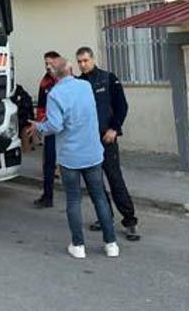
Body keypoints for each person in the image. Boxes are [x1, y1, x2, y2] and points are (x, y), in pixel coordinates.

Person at [27, 57, 119, 258]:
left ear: (53, 74)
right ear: (70, 69)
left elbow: (55, 126)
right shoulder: (85, 86)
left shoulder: (55, 94)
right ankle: (111, 243)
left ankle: (78, 246)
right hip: (93, 152)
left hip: (70, 156)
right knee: (100, 198)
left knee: (74, 200)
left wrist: (38, 126)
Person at [76, 46, 140, 241]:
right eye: (79, 61)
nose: (83, 64)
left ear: (93, 59)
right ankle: (105, 217)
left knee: (115, 179)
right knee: (95, 183)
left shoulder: (108, 78)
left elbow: (122, 106)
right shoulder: (78, 84)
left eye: (86, 60)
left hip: (106, 138)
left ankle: (130, 221)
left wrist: (114, 128)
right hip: (88, 141)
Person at [33, 51, 60, 208]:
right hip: (50, 128)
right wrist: (40, 126)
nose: (48, 66)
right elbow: (42, 106)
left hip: (67, 130)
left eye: (51, 63)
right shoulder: (45, 82)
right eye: (46, 64)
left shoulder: (66, 80)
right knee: (48, 164)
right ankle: (47, 196)